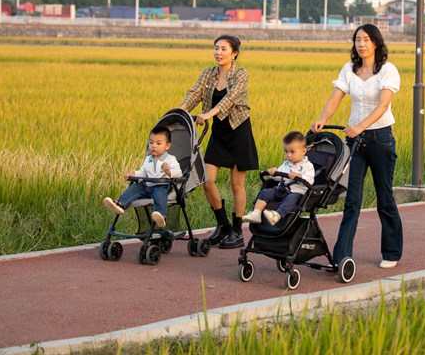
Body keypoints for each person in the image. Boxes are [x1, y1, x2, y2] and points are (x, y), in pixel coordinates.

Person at [312, 23, 403, 269]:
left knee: (384, 197)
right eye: (357, 40)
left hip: (381, 139)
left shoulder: (387, 70)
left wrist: (361, 126)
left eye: (366, 40)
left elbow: (383, 105)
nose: (361, 44)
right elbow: (335, 98)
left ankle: (392, 252)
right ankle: (342, 256)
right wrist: (323, 118)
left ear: (376, 43)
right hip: (354, 142)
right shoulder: (349, 70)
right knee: (352, 199)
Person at [180, 35, 258, 249]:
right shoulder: (208, 73)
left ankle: (237, 231)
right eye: (216, 48)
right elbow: (195, 92)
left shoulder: (241, 74)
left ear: (234, 54)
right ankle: (223, 225)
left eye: (223, 49)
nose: (218, 53)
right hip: (219, 134)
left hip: (238, 131)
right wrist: (180, 111)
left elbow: (230, 99)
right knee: (207, 180)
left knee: (236, 184)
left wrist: (208, 114)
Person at [103, 126, 181, 228]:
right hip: (147, 185)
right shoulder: (148, 159)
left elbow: (179, 172)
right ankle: (120, 204)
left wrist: (169, 172)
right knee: (134, 188)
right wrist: (134, 173)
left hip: (160, 185)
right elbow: (143, 172)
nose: (153, 146)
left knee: (160, 194)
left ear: (167, 146)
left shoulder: (170, 159)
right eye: (151, 142)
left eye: (158, 143)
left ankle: (161, 216)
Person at [242, 131, 315, 226]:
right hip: (281, 189)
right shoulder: (286, 163)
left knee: (291, 199)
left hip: (296, 192)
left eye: (292, 152)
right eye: (286, 151)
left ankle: (276, 215)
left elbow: (310, 180)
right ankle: (256, 213)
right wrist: (274, 173)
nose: (288, 155)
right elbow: (279, 178)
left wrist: (300, 176)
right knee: (266, 192)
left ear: (304, 151)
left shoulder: (308, 166)